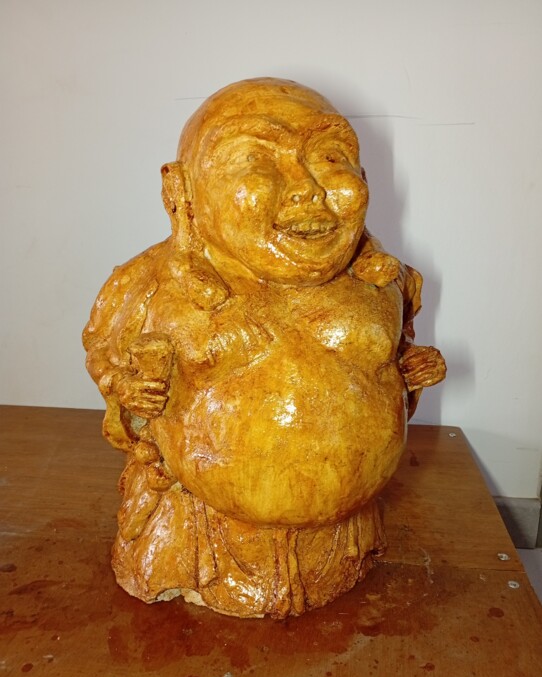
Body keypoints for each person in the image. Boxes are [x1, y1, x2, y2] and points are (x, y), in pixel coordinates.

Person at [83, 78, 445, 618]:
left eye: (330, 156)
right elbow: (111, 372)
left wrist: (406, 373)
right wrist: (132, 396)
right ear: (182, 190)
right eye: (256, 159)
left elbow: (391, 365)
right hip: (202, 534)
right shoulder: (151, 288)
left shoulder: (383, 280)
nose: (307, 188)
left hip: (343, 532)